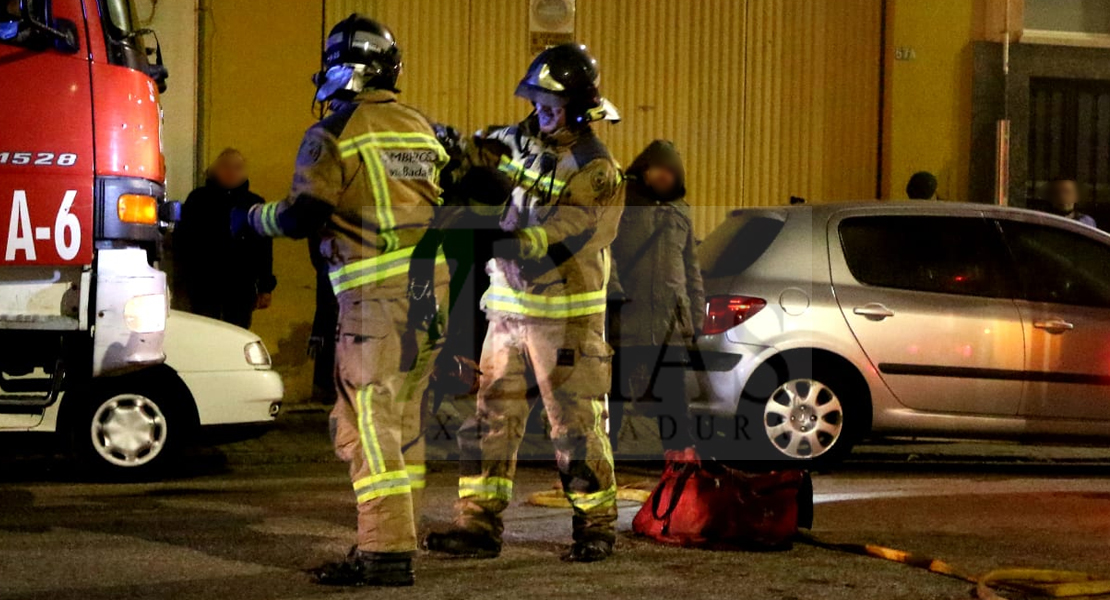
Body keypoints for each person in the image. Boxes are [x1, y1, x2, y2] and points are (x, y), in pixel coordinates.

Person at [233, 15, 449, 587]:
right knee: (402, 422)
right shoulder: (418, 127)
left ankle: (385, 554)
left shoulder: (335, 131)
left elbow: (304, 215)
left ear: (338, 70)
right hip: (432, 293)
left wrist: (250, 219)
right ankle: (396, 537)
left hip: (377, 297)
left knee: (366, 424)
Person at [423, 43, 624, 563]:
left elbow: (566, 233)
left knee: (574, 424)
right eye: (536, 100)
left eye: (551, 104)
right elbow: (476, 154)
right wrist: (451, 153)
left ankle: (595, 525)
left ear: (578, 108)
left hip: (566, 319)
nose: (540, 111)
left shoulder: (596, 169)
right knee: (492, 417)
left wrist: (502, 235)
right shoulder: (513, 138)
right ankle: (477, 524)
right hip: (507, 310)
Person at [608, 140, 703, 453]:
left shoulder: (682, 212)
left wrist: (696, 318)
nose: (665, 176)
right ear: (644, 170)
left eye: (671, 171)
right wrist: (613, 296)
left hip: (670, 327)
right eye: (659, 169)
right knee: (612, 402)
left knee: (675, 405)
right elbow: (604, 253)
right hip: (626, 324)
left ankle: (680, 471)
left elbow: (691, 269)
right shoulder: (621, 205)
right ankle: (598, 469)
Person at [175, 148, 275, 329]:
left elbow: (264, 247)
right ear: (214, 170)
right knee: (203, 333)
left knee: (237, 335)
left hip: (241, 286)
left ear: (245, 173)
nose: (231, 172)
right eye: (225, 167)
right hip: (204, 284)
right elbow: (183, 240)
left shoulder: (254, 204)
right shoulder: (198, 200)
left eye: (237, 168)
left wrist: (265, 287)